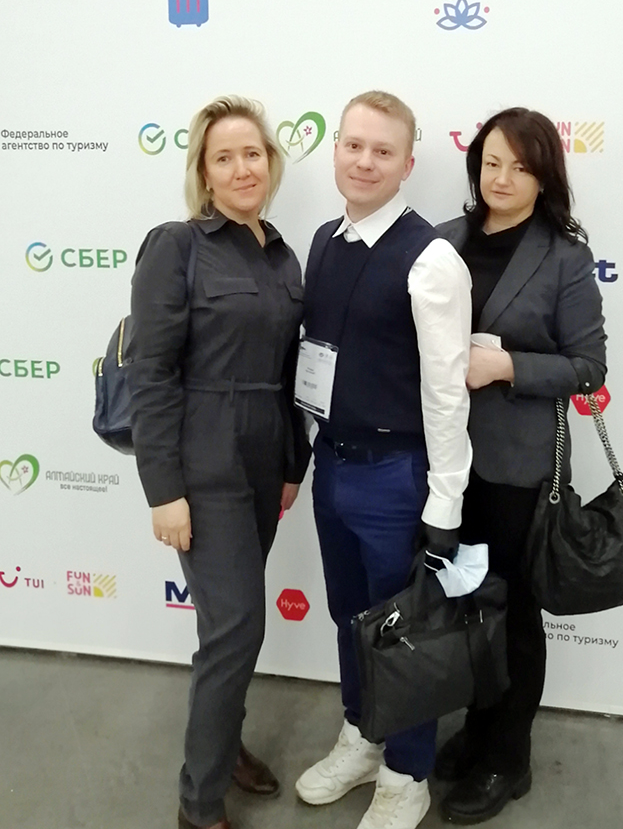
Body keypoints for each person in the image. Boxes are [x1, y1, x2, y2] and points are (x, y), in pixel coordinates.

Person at [127, 95, 311, 829]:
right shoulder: (177, 246)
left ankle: (224, 745)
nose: (242, 169)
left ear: (272, 162)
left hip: (265, 455)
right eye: (224, 158)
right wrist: (163, 489)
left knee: (229, 629)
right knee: (236, 627)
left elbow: (293, 372)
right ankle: (199, 804)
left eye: (252, 154)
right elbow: (150, 373)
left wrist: (293, 462)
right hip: (204, 458)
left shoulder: (283, 254)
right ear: (204, 174)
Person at [294, 91, 473, 829]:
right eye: (353, 145)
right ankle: (363, 736)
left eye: (383, 151)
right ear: (336, 148)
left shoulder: (431, 258)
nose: (365, 161)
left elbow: (447, 390)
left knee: (405, 636)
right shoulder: (324, 240)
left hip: (398, 476)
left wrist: (445, 501)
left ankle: (407, 772)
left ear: (407, 163)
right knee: (349, 618)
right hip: (333, 465)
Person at [435, 107, 607, 824]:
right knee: (467, 604)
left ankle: (510, 755)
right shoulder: (442, 241)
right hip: (442, 461)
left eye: (520, 166)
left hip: (515, 467)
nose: (501, 179)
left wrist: (507, 366)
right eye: (491, 163)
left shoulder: (564, 257)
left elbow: (588, 366)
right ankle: (478, 728)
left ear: (544, 177)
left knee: (512, 613)